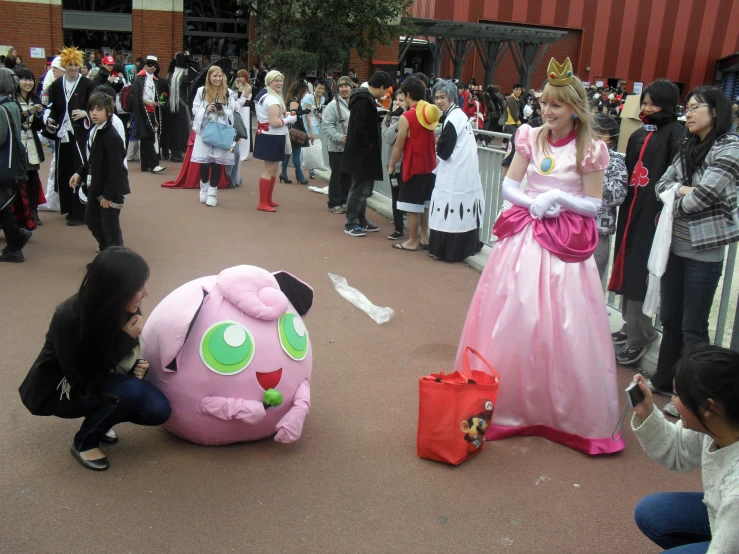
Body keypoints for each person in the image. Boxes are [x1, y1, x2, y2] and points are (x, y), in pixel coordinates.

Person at [455, 57, 624, 455]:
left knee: (565, 326)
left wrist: (561, 198)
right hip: (525, 238)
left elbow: (595, 204)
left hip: (565, 246)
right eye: (545, 103)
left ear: (575, 109)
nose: (547, 111)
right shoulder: (531, 136)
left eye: (557, 105)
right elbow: (510, 185)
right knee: (516, 316)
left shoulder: (592, 148)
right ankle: (511, 407)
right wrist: (533, 203)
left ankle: (563, 414)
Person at [18, 247, 171, 471]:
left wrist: (136, 366)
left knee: (158, 411)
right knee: (130, 392)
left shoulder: (123, 306)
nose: (145, 293)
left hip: (98, 378)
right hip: (59, 390)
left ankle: (102, 417)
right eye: (138, 287)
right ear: (115, 290)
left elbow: (117, 357)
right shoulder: (68, 317)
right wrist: (125, 340)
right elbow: (81, 379)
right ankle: (84, 442)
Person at [649, 87, 739, 410]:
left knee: (693, 326)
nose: (687, 113)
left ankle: (693, 396)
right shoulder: (689, 145)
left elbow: (700, 198)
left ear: (716, 112)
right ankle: (664, 380)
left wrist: (679, 192)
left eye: (695, 107)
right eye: (687, 107)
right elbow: (661, 185)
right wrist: (680, 190)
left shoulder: (730, 148)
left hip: (704, 253)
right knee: (670, 319)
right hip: (676, 247)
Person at [630, 343, 739, 554]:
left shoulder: (737, 493)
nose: (672, 401)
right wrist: (646, 412)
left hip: (731, 523)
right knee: (653, 511)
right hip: (724, 517)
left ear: (708, 407)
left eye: (676, 395)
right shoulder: (718, 424)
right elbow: (677, 449)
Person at [608, 80, 684, 366]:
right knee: (627, 267)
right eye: (645, 103)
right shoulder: (638, 134)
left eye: (654, 103)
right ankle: (633, 327)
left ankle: (640, 336)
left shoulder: (677, 134)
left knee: (643, 272)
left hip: (654, 216)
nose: (647, 109)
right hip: (632, 211)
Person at [427, 79, 484, 262]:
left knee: (450, 207)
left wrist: (437, 145)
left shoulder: (452, 118)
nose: (438, 101)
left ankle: (448, 251)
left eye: (442, 97)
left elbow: (444, 152)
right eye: (436, 97)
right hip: (465, 170)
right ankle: (462, 247)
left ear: (451, 97)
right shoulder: (458, 115)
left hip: (455, 171)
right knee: (462, 208)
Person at [70, 92, 128, 251]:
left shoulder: (111, 136)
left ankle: (116, 259)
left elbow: (116, 169)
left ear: (109, 112)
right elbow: (93, 159)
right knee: (91, 219)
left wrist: (108, 195)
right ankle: (106, 250)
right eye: (91, 109)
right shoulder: (96, 131)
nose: (94, 113)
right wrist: (80, 172)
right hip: (96, 185)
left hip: (111, 189)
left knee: (110, 227)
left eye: (99, 109)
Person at [44, 47, 94, 227]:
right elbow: (53, 108)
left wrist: (85, 114)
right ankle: (69, 208)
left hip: (80, 135)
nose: (73, 68)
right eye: (70, 65)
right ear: (64, 66)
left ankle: (80, 210)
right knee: (64, 169)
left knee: (79, 168)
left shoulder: (87, 84)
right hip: (62, 135)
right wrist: (49, 120)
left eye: (76, 65)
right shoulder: (57, 85)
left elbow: (96, 106)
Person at [388, 78, 439, 252]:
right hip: (430, 165)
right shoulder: (430, 113)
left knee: (411, 207)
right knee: (425, 204)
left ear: (408, 95)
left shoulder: (407, 116)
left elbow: (399, 145)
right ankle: (424, 237)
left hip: (413, 166)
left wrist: (392, 164)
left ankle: (412, 240)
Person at [342, 71, 393, 237]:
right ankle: (351, 222)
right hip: (362, 154)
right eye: (386, 90)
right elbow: (360, 129)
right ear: (381, 87)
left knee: (363, 189)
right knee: (358, 189)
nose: (385, 94)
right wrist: (367, 149)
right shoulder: (364, 101)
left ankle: (360, 219)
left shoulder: (363, 98)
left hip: (362, 152)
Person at [192, 64, 247, 207]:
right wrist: (206, 108)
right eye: (214, 76)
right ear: (209, 77)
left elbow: (232, 112)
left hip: (222, 132)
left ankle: (212, 193)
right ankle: (204, 188)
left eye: (219, 76)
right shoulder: (201, 91)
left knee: (217, 163)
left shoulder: (228, 92)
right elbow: (194, 109)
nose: (217, 78)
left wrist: (223, 111)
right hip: (205, 131)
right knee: (204, 163)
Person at [0, 67, 33, 263]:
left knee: (3, 206)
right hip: (11, 162)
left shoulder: (3, 108)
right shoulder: (12, 104)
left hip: (4, 163)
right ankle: (16, 239)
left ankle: (15, 245)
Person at [253, 70, 297, 212]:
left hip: (272, 135)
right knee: (269, 170)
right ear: (269, 82)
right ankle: (262, 202)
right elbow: (274, 122)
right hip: (271, 135)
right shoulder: (271, 99)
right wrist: (288, 119)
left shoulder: (267, 95)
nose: (280, 83)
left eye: (281, 80)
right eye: (276, 80)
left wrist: (286, 115)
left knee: (274, 170)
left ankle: (268, 200)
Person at [592, 114, 627, 280]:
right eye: (591, 134)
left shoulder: (615, 161)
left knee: (591, 285)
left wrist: (597, 170)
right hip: (569, 227)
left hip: (597, 231)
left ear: (611, 140)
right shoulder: (574, 156)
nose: (594, 139)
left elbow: (617, 197)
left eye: (600, 135)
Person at [14, 67, 46, 229]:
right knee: (19, 180)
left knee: (33, 179)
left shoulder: (36, 99)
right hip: (17, 143)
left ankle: (33, 211)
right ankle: (20, 213)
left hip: (32, 143)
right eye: (24, 79)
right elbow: (14, 120)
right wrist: (28, 113)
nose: (28, 82)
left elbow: (39, 126)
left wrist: (41, 117)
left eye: (30, 79)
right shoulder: (12, 100)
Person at [36, 57, 65, 214]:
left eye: (55, 69)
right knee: (56, 167)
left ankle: (56, 200)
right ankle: (52, 200)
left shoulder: (63, 87)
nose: (52, 72)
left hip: (67, 134)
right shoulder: (55, 86)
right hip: (58, 133)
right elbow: (50, 107)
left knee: (62, 167)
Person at [321, 75, 353, 214]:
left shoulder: (353, 104)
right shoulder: (332, 106)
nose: (344, 89)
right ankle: (334, 202)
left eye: (347, 86)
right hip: (337, 147)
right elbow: (327, 126)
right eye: (341, 86)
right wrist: (340, 137)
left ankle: (345, 200)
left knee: (347, 176)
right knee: (337, 175)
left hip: (350, 148)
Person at [131, 55, 166, 174]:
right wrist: (147, 102)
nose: (153, 68)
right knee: (149, 137)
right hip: (142, 112)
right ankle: (154, 164)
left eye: (154, 66)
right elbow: (136, 98)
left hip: (152, 111)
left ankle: (145, 165)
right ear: (145, 66)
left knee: (147, 138)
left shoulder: (153, 79)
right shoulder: (138, 79)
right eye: (150, 65)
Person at [382, 89, 407, 240]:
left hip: (407, 164)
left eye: (401, 100)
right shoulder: (391, 118)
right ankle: (399, 228)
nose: (397, 102)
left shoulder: (407, 118)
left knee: (407, 198)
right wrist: (390, 118)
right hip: (394, 165)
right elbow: (388, 137)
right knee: (396, 196)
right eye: (396, 99)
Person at [162, 52, 192, 163]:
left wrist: (175, 59)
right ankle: (177, 154)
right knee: (181, 132)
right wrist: (188, 58)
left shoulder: (170, 76)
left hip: (170, 106)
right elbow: (197, 70)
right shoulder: (185, 77)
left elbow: (170, 68)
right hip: (181, 107)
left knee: (171, 130)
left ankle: (171, 152)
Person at [279, 81, 310, 185]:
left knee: (288, 152)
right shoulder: (295, 98)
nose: (305, 93)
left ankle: (284, 173)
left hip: (291, 126)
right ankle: (299, 174)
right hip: (295, 127)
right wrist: (306, 111)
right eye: (304, 91)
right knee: (296, 152)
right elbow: (293, 112)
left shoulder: (291, 97)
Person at [302, 81, 326, 179]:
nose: (321, 90)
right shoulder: (308, 98)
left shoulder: (322, 99)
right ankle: (301, 169)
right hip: (306, 124)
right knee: (305, 147)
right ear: (314, 88)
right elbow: (306, 114)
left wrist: (320, 116)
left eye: (323, 89)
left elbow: (316, 112)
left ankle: (311, 169)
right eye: (319, 88)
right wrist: (310, 131)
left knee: (314, 147)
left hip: (316, 124)